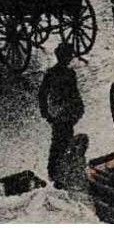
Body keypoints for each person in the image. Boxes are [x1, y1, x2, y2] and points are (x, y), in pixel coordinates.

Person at [37, 43, 84, 187]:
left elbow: (42, 94)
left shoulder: (52, 73)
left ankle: (55, 170)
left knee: (60, 140)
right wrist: (79, 108)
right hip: (63, 112)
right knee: (62, 140)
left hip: (60, 111)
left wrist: (46, 112)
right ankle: (57, 171)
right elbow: (74, 93)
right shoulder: (68, 74)